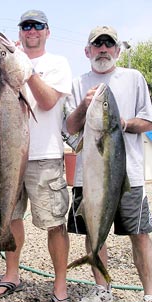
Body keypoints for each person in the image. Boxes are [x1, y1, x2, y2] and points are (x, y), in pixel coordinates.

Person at [0, 10, 72, 302]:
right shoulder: (8, 65)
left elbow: (48, 102)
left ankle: (60, 283)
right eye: (26, 26)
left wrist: (26, 70)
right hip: (7, 155)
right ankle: (12, 275)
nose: (31, 30)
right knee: (9, 216)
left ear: (47, 31)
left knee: (54, 223)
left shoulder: (57, 63)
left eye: (38, 26)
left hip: (44, 157)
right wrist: (12, 63)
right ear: (20, 31)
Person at [66, 26, 152, 302]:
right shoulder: (79, 83)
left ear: (117, 49)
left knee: (139, 235)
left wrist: (121, 123)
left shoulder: (134, 78)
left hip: (130, 177)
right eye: (97, 44)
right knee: (93, 233)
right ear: (87, 51)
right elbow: (69, 127)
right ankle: (102, 290)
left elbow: (148, 121)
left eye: (109, 44)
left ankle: (149, 293)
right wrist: (84, 106)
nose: (103, 49)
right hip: (87, 177)